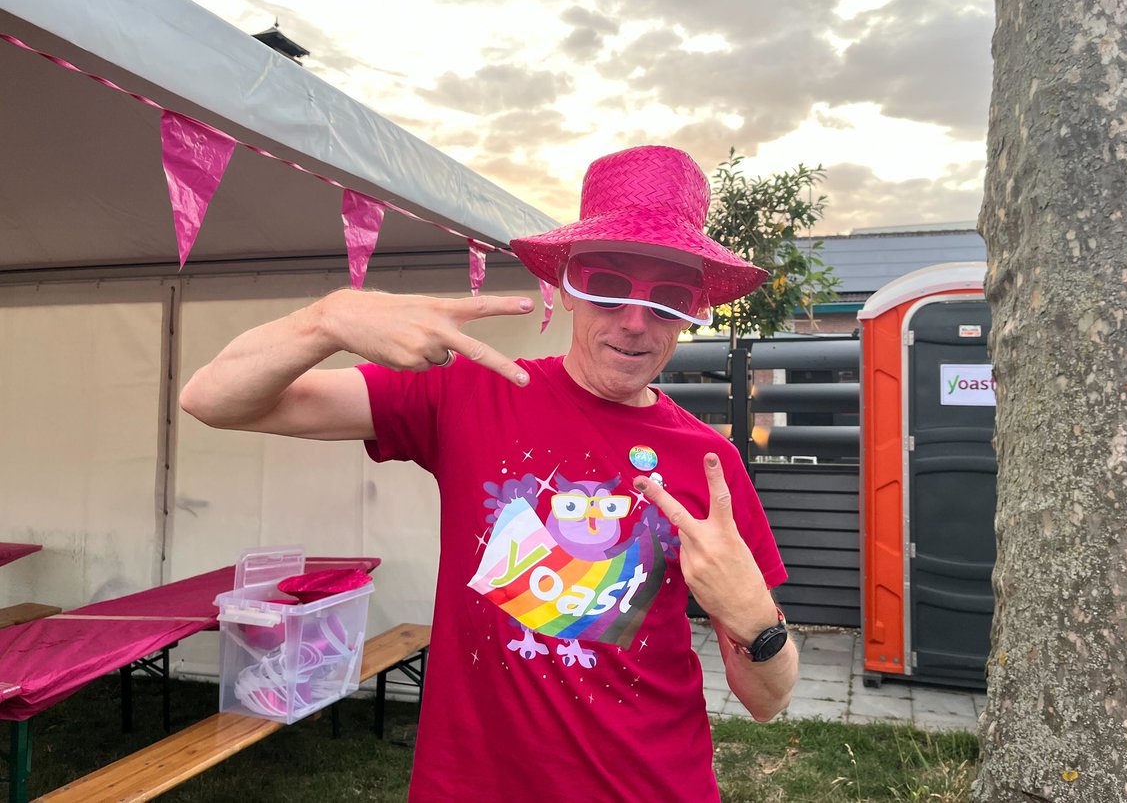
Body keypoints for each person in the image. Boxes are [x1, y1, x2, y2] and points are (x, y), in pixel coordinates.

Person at [180, 145, 799, 801]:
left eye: (669, 299)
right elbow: (212, 398)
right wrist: (326, 320)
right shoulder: (470, 392)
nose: (636, 322)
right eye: (609, 286)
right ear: (565, 286)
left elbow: (768, 702)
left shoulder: (708, 463)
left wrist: (757, 620)